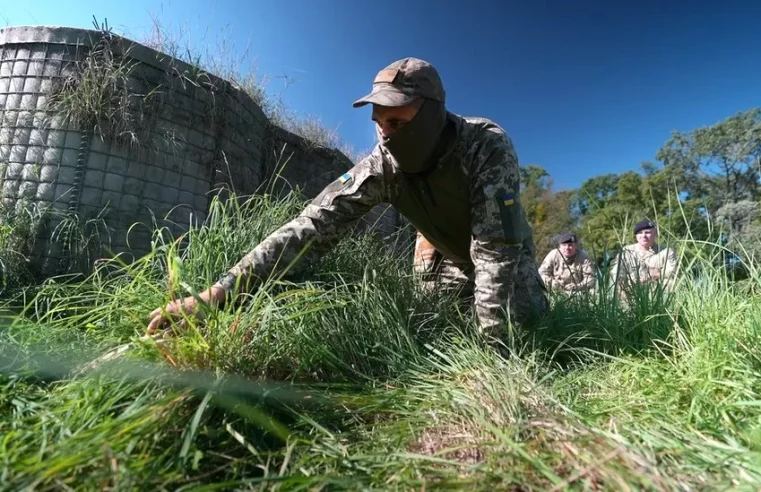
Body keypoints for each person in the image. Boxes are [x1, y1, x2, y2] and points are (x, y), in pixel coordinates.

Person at [147, 57, 549, 342]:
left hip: (506, 258)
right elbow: (311, 225)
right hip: (449, 258)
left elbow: (496, 250)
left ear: (432, 114)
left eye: (397, 121)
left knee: (525, 331)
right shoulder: (381, 167)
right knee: (436, 329)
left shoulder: (484, 145)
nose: (386, 135)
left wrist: (492, 350)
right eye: (378, 123)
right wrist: (218, 294)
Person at [609, 219, 678, 293]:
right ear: (636, 235)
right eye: (640, 233)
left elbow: (672, 273)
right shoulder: (626, 252)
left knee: (670, 281)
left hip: (660, 294)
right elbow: (617, 276)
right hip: (633, 295)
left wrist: (648, 276)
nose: (643, 236)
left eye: (647, 232)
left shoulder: (666, 251)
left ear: (655, 233)